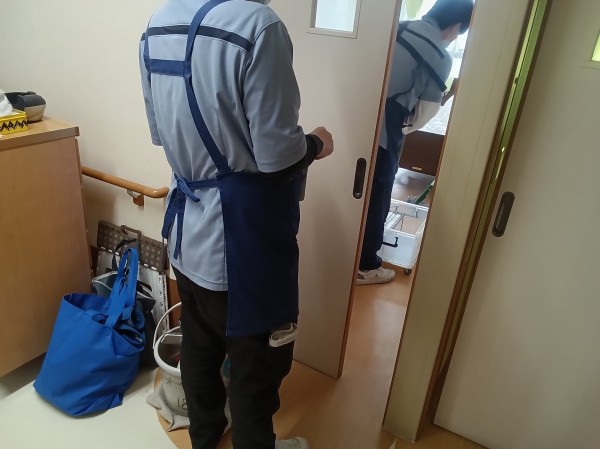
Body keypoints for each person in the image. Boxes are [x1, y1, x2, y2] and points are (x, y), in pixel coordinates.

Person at [139, 1, 334, 449]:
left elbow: (159, 133)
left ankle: (205, 439)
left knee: (199, 347)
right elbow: (278, 156)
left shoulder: (157, 24)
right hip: (243, 244)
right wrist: (317, 143)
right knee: (256, 368)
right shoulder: (258, 26)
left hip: (186, 235)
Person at [357, 0, 474, 285]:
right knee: (377, 198)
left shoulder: (396, 27)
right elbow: (422, 116)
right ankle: (366, 267)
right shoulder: (440, 56)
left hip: (353, 117)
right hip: (385, 133)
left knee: (354, 189)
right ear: (456, 27)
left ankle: (344, 248)